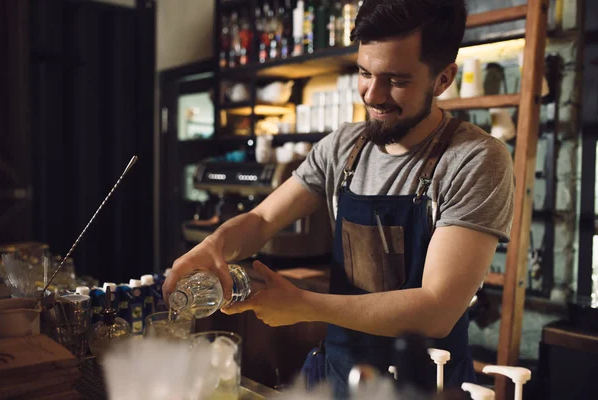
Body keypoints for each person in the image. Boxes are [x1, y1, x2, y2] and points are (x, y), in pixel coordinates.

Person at [163, 0, 514, 395]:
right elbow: (261, 221)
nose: (373, 95)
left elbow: (437, 310)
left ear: (443, 79)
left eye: (396, 80)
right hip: (337, 377)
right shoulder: (343, 148)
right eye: (365, 73)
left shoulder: (475, 159)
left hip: (424, 385)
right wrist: (214, 246)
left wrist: (304, 304)